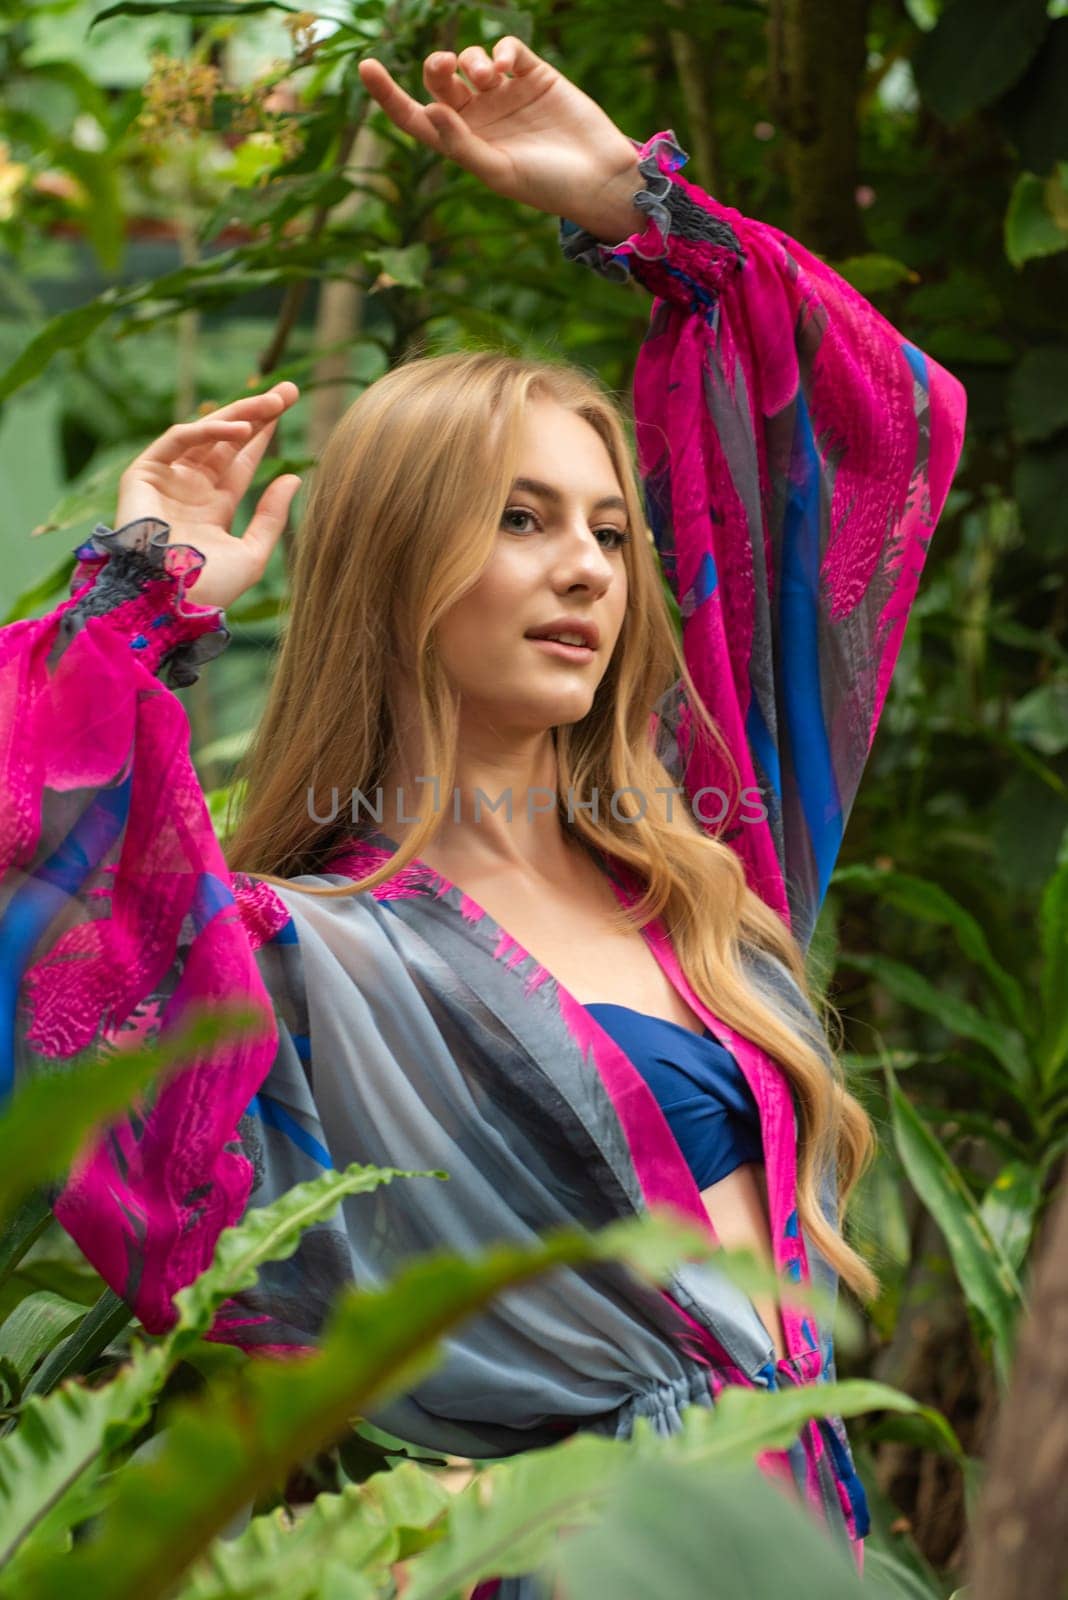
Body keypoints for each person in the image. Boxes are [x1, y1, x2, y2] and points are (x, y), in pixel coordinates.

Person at [0, 35, 966, 1594]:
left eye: (606, 526)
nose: (588, 566)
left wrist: (637, 209)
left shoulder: (711, 851)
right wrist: (139, 591)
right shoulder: (309, 965)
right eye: (519, 522)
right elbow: (36, 854)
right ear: (394, 566)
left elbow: (875, 438)